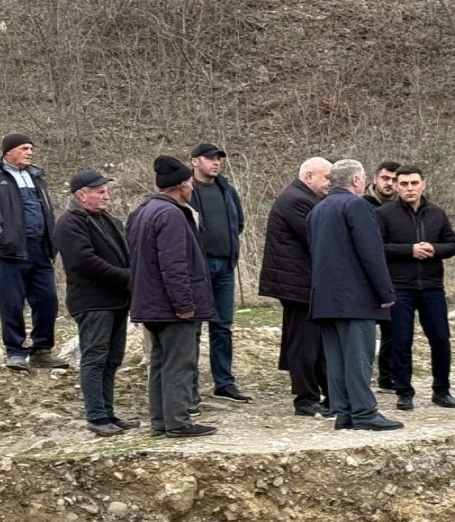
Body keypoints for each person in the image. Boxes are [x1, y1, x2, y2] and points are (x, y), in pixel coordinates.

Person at [127, 155, 218, 438]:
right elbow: (174, 264)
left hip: (149, 304)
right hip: (170, 307)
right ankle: (178, 421)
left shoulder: (143, 211)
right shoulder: (171, 215)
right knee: (179, 363)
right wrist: (185, 304)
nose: (192, 187)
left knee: (159, 362)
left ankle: (160, 421)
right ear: (181, 186)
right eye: (189, 182)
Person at [308, 159, 401, 431]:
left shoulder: (318, 209)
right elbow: (371, 252)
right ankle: (364, 412)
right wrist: (385, 290)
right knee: (358, 357)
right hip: (355, 297)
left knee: (336, 358)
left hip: (325, 297)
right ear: (357, 181)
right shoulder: (356, 205)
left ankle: (344, 411)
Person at [0, 132, 69, 371]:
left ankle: (42, 351)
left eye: (31, 148)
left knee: (48, 301)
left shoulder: (37, 176)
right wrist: (1, 237)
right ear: (8, 151)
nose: (30, 152)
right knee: (11, 303)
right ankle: (15, 352)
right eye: (24, 148)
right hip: (7, 251)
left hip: (40, 249)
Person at [51, 169, 137, 437]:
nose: (106, 197)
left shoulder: (107, 220)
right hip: (93, 301)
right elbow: (84, 262)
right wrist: (127, 277)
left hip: (116, 300)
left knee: (112, 359)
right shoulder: (69, 223)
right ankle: (96, 416)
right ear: (81, 195)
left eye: (105, 191)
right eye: (100, 192)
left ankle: (107, 412)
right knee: (95, 357)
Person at [376, 165, 455, 411]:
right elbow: (377, 247)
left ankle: (441, 390)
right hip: (399, 287)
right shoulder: (384, 213)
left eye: (414, 183)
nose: (409, 188)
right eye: (404, 184)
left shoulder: (437, 214)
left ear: (424, 183)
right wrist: (409, 250)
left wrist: (434, 249)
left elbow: (453, 245)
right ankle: (404, 392)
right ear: (396, 186)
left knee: (441, 339)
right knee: (401, 341)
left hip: (432, 286)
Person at [259, 157, 334, 418]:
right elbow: (319, 238)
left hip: (300, 281)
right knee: (304, 343)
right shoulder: (297, 200)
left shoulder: (303, 198)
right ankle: (305, 398)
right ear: (309, 176)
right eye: (327, 178)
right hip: (297, 283)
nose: (330, 184)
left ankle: (327, 395)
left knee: (315, 342)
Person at [188, 142, 250, 404]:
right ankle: (189, 387)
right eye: (210, 158)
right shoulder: (187, 190)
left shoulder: (227, 189)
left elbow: (239, 223)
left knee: (223, 327)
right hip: (198, 268)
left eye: (218, 159)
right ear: (195, 162)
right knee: (193, 329)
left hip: (225, 266)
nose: (216, 163)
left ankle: (223, 382)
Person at [362, 160, 401, 390]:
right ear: (375, 178)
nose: (390, 184)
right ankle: (361, 377)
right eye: (385, 178)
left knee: (393, 330)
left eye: (394, 180)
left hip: (394, 275)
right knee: (363, 331)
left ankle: (387, 376)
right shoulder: (361, 203)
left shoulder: (403, 208)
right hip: (364, 276)